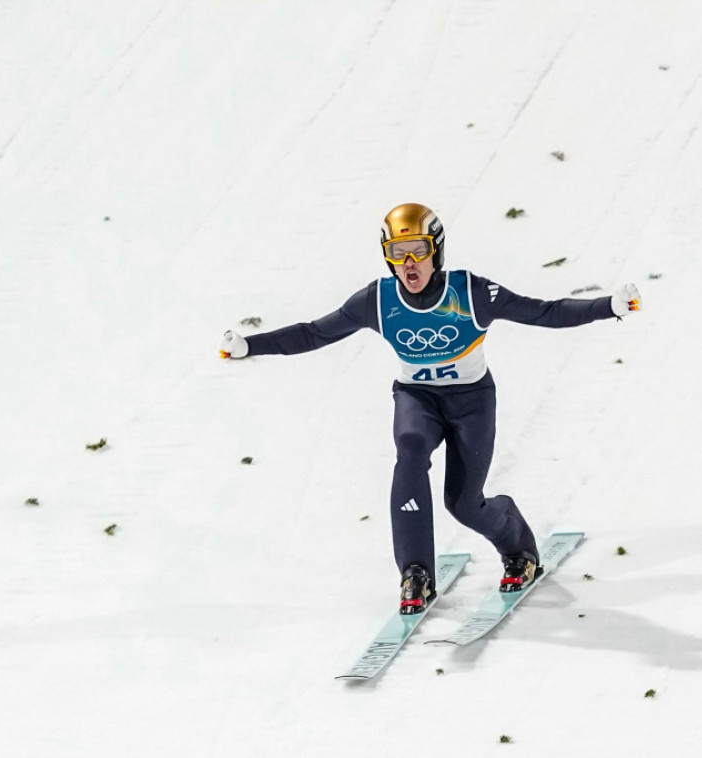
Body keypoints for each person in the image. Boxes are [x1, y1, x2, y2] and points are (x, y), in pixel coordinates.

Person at [220, 202, 640, 614]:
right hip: (417, 399)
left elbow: (545, 312)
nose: (408, 264)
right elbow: (314, 334)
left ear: (436, 251)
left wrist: (608, 307)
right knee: (410, 448)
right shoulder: (378, 301)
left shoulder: (472, 293)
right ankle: (415, 572)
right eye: (397, 255)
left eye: (418, 251)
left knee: (463, 504)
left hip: (472, 403)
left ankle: (517, 546)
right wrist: (249, 346)